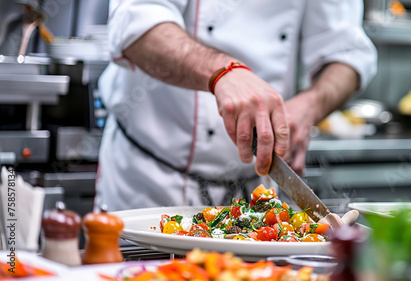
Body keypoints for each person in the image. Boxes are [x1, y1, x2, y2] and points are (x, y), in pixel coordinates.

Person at [95, 0, 377, 211]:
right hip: (149, 183)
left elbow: (348, 52)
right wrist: (222, 71)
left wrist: (311, 105)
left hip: (254, 193)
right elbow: (137, 24)